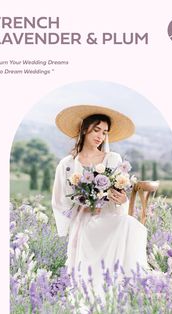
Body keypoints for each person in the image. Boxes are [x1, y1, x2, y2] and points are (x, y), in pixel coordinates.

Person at [52, 104, 148, 294]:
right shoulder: (68, 164)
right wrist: (80, 205)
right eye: (96, 130)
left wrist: (120, 199)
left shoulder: (112, 159)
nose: (100, 136)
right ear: (84, 129)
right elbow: (59, 200)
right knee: (86, 231)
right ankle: (89, 294)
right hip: (83, 220)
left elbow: (121, 197)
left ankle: (123, 289)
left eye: (104, 132)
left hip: (109, 218)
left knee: (130, 224)